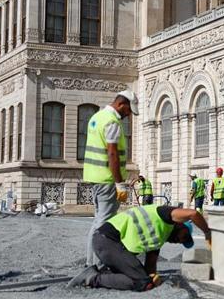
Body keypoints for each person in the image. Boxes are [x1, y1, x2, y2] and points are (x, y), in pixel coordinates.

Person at [68, 204, 211, 291]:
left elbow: (149, 269)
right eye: (184, 237)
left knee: (144, 281)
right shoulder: (165, 215)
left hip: (110, 246)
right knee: (142, 283)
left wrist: (154, 278)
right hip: (107, 240)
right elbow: (193, 214)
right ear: (180, 224)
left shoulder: (158, 238)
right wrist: (207, 232)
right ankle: (93, 278)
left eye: (182, 242)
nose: (179, 241)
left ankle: (106, 273)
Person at [84, 90, 139, 268]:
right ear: (122, 104)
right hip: (107, 179)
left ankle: (91, 261)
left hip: (95, 177)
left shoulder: (97, 117)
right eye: (128, 111)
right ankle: (97, 264)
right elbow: (112, 153)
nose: (128, 115)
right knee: (104, 222)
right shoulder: (112, 122)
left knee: (99, 219)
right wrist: (119, 183)